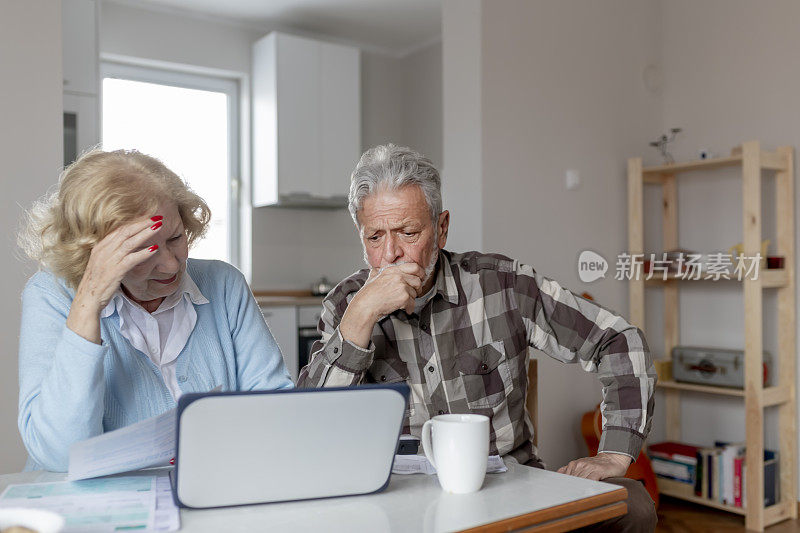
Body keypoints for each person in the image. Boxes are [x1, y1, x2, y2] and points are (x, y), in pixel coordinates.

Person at [298, 144, 657, 531]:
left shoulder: (503, 285)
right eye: (374, 237)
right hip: (398, 509)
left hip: (510, 496)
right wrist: (361, 318)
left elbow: (619, 340)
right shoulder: (345, 307)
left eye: (408, 232)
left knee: (632, 504)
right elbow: (309, 426)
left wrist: (614, 453)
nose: (391, 254)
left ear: (441, 228)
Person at [18, 149, 292, 472]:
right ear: (96, 253)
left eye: (176, 237)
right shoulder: (51, 295)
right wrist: (88, 304)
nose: (172, 263)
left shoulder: (224, 284)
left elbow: (277, 412)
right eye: (144, 251)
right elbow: (60, 455)